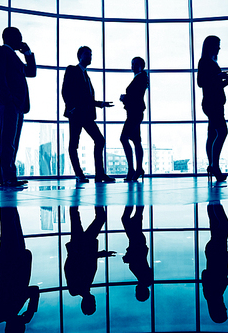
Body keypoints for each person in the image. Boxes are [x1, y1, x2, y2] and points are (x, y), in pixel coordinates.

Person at [0, 27, 36, 188]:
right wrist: (8, 99)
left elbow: (31, 72)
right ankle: (8, 178)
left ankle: (7, 178)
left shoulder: (16, 57)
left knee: (12, 142)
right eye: (19, 37)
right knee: (8, 141)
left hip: (18, 105)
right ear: (9, 37)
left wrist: (28, 53)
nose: (21, 40)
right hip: (8, 103)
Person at [62, 46, 115, 183]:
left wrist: (100, 104)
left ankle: (99, 174)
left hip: (86, 115)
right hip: (76, 114)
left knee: (100, 140)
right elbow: (65, 90)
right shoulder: (72, 70)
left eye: (91, 54)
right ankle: (79, 174)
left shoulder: (86, 76)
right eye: (87, 54)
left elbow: (87, 99)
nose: (90, 56)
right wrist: (71, 107)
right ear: (79, 55)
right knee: (74, 144)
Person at [0, 207, 39, 332]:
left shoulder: (3, 313)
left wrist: (30, 311)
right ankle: (8, 199)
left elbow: (33, 291)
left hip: (11, 261)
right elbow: (33, 290)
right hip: (15, 260)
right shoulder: (8, 311)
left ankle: (7, 197)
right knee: (11, 223)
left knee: (10, 224)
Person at [197, 36, 228, 182]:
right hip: (213, 103)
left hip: (213, 102)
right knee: (222, 132)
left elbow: (209, 83)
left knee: (212, 134)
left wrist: (224, 79)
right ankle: (215, 166)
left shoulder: (209, 62)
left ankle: (213, 165)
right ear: (210, 46)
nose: (219, 48)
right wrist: (219, 77)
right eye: (217, 45)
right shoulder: (206, 62)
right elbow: (201, 82)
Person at [64, 206, 115, 315]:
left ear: (88, 303)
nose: (95, 302)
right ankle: (82, 194)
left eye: (94, 304)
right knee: (76, 217)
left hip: (81, 246)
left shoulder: (77, 288)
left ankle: (97, 196)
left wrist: (99, 254)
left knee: (99, 218)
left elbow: (73, 266)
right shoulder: (82, 287)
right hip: (81, 245)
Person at [202, 201, 228, 323]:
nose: (225, 307)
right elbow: (207, 274)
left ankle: (215, 202)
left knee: (224, 225)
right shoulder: (211, 295)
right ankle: (212, 202)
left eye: (223, 310)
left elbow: (214, 274)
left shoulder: (215, 293)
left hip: (217, 253)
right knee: (215, 224)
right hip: (213, 253)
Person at [120, 57, 148, 182]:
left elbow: (135, 96)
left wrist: (124, 98)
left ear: (142, 66)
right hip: (135, 113)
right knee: (136, 141)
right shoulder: (140, 77)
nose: (134, 66)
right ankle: (138, 169)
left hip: (134, 114)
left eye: (136, 64)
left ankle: (132, 169)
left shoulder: (141, 78)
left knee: (124, 138)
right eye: (132, 64)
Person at [121, 206, 152, 301]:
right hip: (136, 241)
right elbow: (137, 259)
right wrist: (127, 258)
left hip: (139, 241)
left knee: (137, 217)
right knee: (125, 219)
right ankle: (131, 201)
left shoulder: (145, 279)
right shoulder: (143, 278)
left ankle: (138, 198)